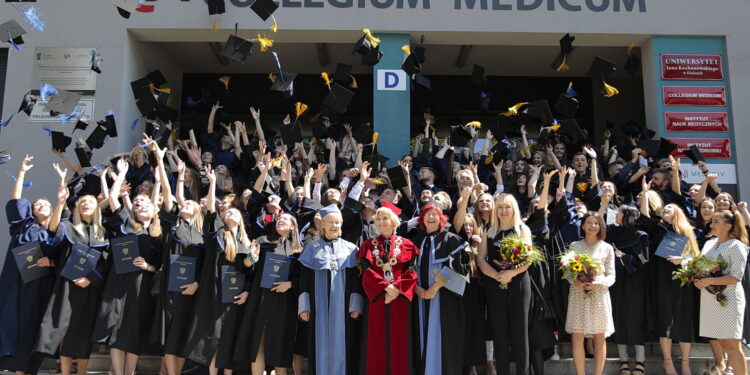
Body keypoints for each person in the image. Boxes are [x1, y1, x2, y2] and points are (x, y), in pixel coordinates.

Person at [92, 157, 162, 375]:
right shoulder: (128, 223)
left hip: (141, 286)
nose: (140, 204)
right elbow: (113, 197)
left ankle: (129, 372)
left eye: (145, 202)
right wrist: (122, 173)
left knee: (134, 331)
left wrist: (148, 266)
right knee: (116, 329)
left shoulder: (159, 235)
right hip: (119, 282)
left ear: (154, 209)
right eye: (137, 202)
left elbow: (160, 266)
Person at [183, 165, 252, 375]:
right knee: (213, 334)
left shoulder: (246, 242)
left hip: (234, 294)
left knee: (228, 336)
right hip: (213, 290)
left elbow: (248, 270)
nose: (230, 212)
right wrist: (213, 183)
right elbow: (212, 209)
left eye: (234, 211)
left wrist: (251, 262)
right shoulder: (218, 233)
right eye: (227, 211)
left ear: (241, 219)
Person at [0, 156, 66, 375]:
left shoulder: (52, 232)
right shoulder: (23, 225)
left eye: (45, 204)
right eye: (37, 203)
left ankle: (24, 370)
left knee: (33, 325)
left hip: (38, 285)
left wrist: (60, 200)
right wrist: (21, 172)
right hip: (15, 281)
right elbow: (16, 198)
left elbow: (57, 243)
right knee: (9, 322)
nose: (40, 205)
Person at [36, 192, 109, 375]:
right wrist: (60, 202)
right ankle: (66, 372)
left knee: (85, 331)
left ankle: (82, 372)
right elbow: (54, 229)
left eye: (90, 202)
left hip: (89, 288)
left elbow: (106, 262)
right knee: (66, 330)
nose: (85, 204)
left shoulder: (103, 232)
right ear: (77, 207)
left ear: (97, 208)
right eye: (82, 201)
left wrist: (90, 279)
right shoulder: (68, 226)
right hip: (67, 286)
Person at [152, 156, 205, 375]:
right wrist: (161, 159)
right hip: (170, 287)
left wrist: (198, 283)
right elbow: (168, 193)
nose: (185, 204)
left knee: (183, 334)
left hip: (191, 290)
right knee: (170, 333)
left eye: (190, 204)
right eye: (183, 203)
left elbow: (206, 264)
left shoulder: (203, 235)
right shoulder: (173, 226)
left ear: (198, 211)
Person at [297, 204, 363, 375]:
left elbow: (356, 279)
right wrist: (304, 306)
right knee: (318, 342)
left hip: (344, 304)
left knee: (344, 341)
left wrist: (356, 304)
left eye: (337, 223)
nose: (334, 226)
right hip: (317, 305)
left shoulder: (350, 249)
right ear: (323, 225)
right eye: (331, 222)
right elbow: (304, 279)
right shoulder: (311, 248)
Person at [233, 212, 302, 375]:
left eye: (285, 219)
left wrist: (290, 284)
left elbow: (303, 277)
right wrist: (252, 257)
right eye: (278, 219)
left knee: (280, 343)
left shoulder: (298, 249)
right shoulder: (263, 242)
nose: (280, 221)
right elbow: (249, 270)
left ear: (293, 226)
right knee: (259, 341)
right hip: (261, 298)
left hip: (285, 301)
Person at [357, 205, 419, 375]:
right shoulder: (368, 245)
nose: (381, 222)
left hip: (400, 299)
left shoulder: (407, 245)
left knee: (400, 340)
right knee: (375, 340)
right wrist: (386, 288)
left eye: (385, 218)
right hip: (376, 298)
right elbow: (366, 271)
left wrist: (396, 289)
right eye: (378, 219)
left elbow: (412, 271)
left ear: (393, 221)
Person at [408, 203, 470, 375]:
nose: (431, 217)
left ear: (442, 219)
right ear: (422, 220)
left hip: (445, 300)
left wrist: (434, 288)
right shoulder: (415, 242)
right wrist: (419, 291)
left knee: (445, 340)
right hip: (420, 299)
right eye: (427, 214)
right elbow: (408, 269)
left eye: (435, 214)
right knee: (421, 337)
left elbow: (459, 267)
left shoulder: (451, 239)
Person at [478, 193, 533, 375]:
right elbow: (480, 259)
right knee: (499, 334)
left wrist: (512, 272)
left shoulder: (522, 229)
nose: (503, 210)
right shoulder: (489, 230)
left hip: (518, 284)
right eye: (499, 207)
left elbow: (529, 258)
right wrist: (496, 275)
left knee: (520, 334)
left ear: (514, 209)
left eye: (507, 206)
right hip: (495, 285)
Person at [696, 210, 749, 375]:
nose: (712, 225)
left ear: (729, 226)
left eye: (716, 221)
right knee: (723, 344)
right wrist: (696, 276)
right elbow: (700, 266)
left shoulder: (737, 245)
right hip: (710, 299)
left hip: (729, 299)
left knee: (732, 345)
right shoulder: (709, 243)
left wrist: (710, 280)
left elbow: (736, 276)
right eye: (712, 221)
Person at [565, 212, 615, 375]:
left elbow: (611, 274)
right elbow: (567, 272)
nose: (592, 226)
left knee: (599, 338)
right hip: (578, 294)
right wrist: (576, 282)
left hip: (598, 295)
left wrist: (601, 283)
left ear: (601, 226)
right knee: (577, 337)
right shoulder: (574, 245)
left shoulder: (607, 247)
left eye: (596, 223)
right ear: (583, 225)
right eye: (589, 222)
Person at [606, 205, 649, 375]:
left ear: (627, 215)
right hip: (616, 281)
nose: (616, 214)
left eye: (619, 212)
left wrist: (624, 256)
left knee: (635, 318)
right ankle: (623, 359)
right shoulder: (613, 233)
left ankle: (640, 359)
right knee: (618, 317)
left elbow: (643, 259)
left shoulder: (639, 235)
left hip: (634, 282)